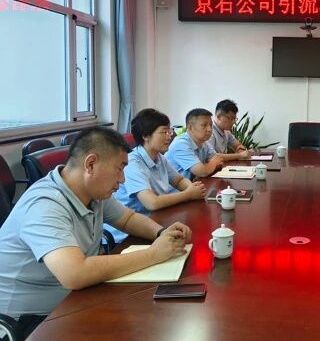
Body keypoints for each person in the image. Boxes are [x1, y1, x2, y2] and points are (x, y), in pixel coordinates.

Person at [0, 127, 192, 337]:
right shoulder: (45, 205)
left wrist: (161, 232)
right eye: (119, 168)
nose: (122, 179)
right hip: (29, 322)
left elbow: (127, 219)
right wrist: (153, 254)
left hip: (75, 299)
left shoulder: (93, 191)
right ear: (90, 164)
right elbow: (75, 273)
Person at [107, 109, 208, 243]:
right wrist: (188, 194)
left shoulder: (159, 157)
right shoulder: (133, 163)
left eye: (169, 131)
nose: (169, 136)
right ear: (146, 136)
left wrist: (192, 188)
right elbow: (152, 203)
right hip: (129, 234)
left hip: (156, 220)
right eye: (163, 132)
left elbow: (178, 180)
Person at [165, 108, 224, 179]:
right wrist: (212, 164)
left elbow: (219, 162)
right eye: (204, 125)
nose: (209, 129)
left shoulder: (204, 142)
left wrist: (208, 166)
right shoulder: (181, 144)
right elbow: (202, 172)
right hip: (177, 186)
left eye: (211, 125)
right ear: (190, 128)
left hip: (194, 184)